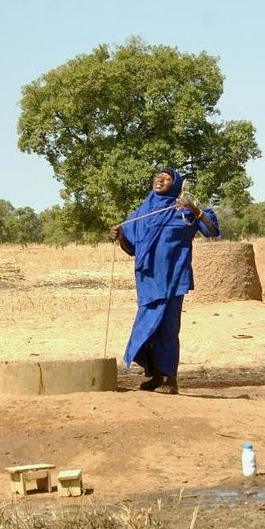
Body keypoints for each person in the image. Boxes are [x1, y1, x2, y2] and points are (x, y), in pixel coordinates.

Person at [110, 168, 219, 394]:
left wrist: (196, 210)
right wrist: (120, 237)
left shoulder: (183, 212)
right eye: (158, 177)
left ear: (176, 185)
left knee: (168, 328)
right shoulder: (141, 213)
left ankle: (170, 379)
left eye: (167, 179)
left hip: (172, 279)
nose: (160, 180)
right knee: (148, 327)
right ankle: (156, 376)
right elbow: (132, 249)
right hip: (148, 280)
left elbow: (212, 231)